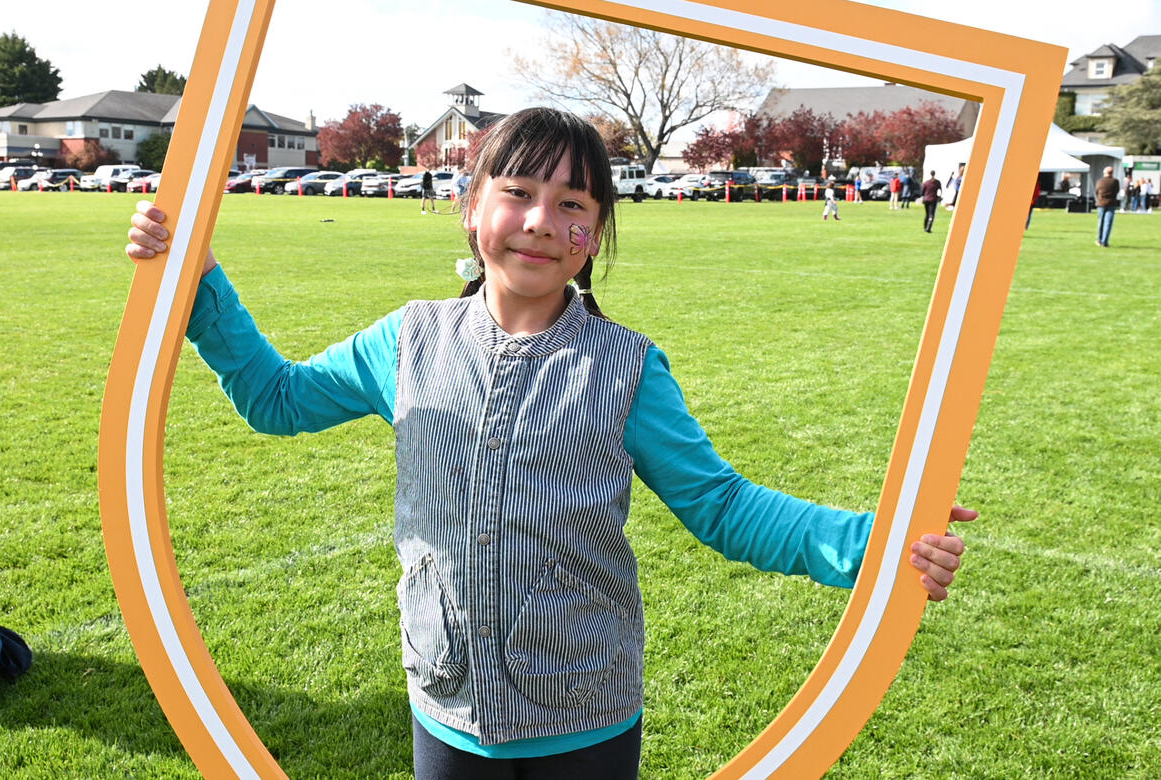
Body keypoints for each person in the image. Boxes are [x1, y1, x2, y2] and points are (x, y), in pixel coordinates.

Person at [125, 107, 974, 779]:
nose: (539, 220)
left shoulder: (627, 369)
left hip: (586, 717)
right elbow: (278, 400)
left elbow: (723, 507)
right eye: (519, 192)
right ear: (471, 209)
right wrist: (193, 279)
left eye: (571, 204)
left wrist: (879, 544)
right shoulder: (406, 341)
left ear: (595, 233)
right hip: (445, 705)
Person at [1095, 165, 1120, 247]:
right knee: (1108, 223)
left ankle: (1099, 239)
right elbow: (1117, 191)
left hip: (1101, 203)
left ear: (1104, 172)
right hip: (1111, 203)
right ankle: (1105, 241)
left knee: (1101, 222)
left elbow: (1097, 191)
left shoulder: (1100, 181)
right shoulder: (1115, 181)